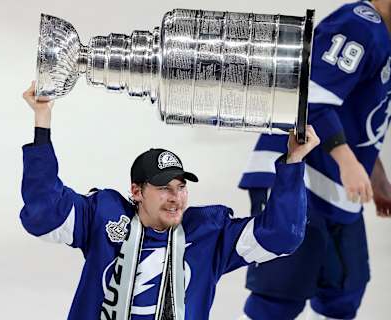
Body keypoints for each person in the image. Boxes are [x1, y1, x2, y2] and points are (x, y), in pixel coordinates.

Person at [19, 81, 320, 320]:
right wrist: (42, 121)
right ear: (136, 192)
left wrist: (293, 162)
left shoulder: (208, 234)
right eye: (164, 188)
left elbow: (282, 236)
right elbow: (44, 213)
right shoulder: (103, 217)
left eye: (181, 187)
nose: (175, 198)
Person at [237, 1, 391, 319]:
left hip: (334, 187)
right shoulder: (360, 26)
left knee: (344, 292)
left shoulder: (382, 36)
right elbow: (310, 97)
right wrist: (347, 160)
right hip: (296, 176)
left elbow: (358, 116)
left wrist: (374, 173)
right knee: (279, 296)